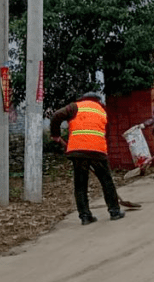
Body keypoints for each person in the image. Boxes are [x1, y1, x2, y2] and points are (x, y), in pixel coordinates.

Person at [50, 92, 124, 225]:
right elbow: (106, 132)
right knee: (106, 181)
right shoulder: (102, 110)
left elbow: (56, 116)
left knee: (80, 184)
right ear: (98, 100)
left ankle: (85, 216)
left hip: (78, 151)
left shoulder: (74, 107)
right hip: (97, 150)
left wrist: (56, 135)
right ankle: (114, 211)